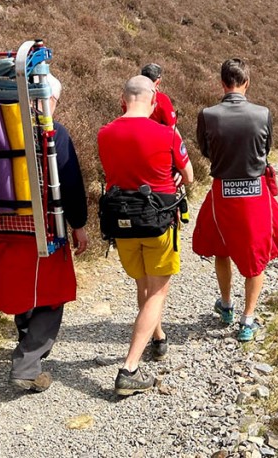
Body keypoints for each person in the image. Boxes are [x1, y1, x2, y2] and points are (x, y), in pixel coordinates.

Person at [0, 73, 89, 393]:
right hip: (39, 228)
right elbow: (69, 184)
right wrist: (79, 225)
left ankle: (25, 337)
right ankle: (27, 365)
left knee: (20, 281)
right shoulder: (53, 132)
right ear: (49, 99)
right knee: (53, 292)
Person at [193, 59, 278, 342]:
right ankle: (248, 319)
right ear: (247, 83)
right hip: (256, 192)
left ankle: (227, 305)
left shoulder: (208, 114)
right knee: (256, 255)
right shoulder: (262, 113)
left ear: (222, 83)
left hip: (223, 190)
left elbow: (205, 150)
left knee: (222, 246)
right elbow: (265, 148)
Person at [98, 75, 194, 396]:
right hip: (157, 222)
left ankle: (157, 338)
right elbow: (190, 177)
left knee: (143, 285)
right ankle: (129, 368)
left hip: (121, 224)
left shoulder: (104, 134)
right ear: (154, 100)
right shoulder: (165, 134)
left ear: (123, 100)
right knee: (158, 292)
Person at [141, 62, 189, 224]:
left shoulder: (130, 97)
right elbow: (172, 129)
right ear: (158, 80)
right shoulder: (161, 99)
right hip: (160, 148)